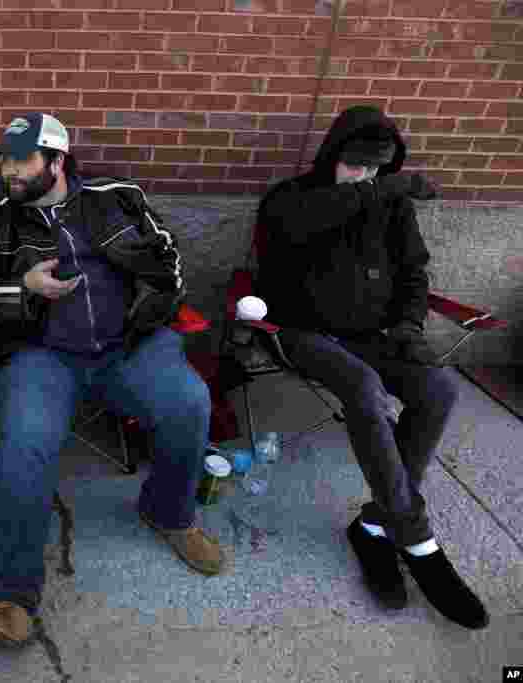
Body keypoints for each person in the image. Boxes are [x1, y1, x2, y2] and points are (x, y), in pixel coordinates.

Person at [0, 113, 220, 649]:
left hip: (130, 348)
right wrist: (22, 287)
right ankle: (9, 596)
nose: (9, 171)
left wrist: (152, 314)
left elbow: (170, 262)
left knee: (189, 402)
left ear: (57, 160)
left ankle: (169, 512)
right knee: (24, 448)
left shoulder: (119, 198)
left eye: (22, 159)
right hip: (42, 358)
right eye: (4, 159)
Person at [257, 105, 488, 630]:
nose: (364, 178)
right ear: (332, 156)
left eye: (375, 169)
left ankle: (377, 526)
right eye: (354, 166)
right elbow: (301, 227)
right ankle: (418, 538)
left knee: (439, 392)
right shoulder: (291, 199)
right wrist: (381, 189)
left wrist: (408, 326)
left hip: (375, 336)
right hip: (300, 332)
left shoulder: (392, 206)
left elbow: (414, 272)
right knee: (364, 388)